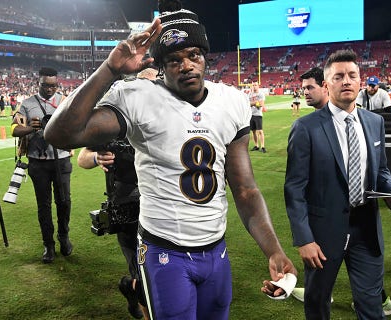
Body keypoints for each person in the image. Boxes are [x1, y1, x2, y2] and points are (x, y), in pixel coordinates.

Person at [44, 3, 296, 319]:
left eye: (194, 55)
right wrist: (110, 68)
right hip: (166, 252)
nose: (187, 65)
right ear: (161, 66)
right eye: (174, 60)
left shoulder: (231, 102)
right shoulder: (138, 97)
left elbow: (245, 190)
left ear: (205, 58)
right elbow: (61, 134)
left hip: (216, 250)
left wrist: (274, 250)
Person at [285, 49, 391, 319]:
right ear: (327, 85)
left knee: (371, 306)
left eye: (352, 75)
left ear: (360, 81)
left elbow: (381, 170)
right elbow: (294, 188)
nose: (347, 81)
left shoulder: (375, 122)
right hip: (323, 232)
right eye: (339, 76)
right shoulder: (306, 128)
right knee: (317, 304)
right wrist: (304, 238)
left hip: (366, 228)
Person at [76, 67, 158, 320]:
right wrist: (96, 157)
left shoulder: (166, 118)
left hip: (162, 206)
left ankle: (130, 287)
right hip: (127, 208)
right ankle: (138, 294)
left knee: (161, 273)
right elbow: (81, 158)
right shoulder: (114, 123)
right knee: (144, 275)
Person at [12, 67, 72, 264]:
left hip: (61, 158)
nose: (49, 89)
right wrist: (31, 127)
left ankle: (64, 237)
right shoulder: (28, 104)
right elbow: (14, 130)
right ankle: (48, 244)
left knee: (64, 201)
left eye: (53, 86)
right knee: (43, 205)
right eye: (46, 85)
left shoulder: (65, 101)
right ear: (38, 83)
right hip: (38, 161)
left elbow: (76, 125)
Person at [249, 81, 267, 153]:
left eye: (255, 85)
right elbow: (248, 104)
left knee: (260, 131)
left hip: (258, 114)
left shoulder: (260, 94)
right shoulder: (250, 94)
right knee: (253, 131)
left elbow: (261, 104)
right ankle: (256, 145)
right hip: (251, 114)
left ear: (258, 86)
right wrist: (255, 103)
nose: (254, 86)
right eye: (253, 85)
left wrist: (253, 103)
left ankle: (262, 146)